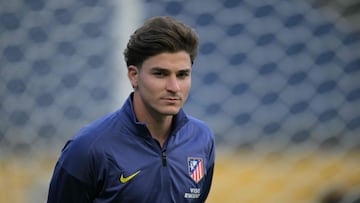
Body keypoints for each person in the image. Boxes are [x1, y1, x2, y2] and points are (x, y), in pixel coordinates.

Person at [47, 16, 216, 203]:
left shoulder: (201, 139)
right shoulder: (88, 148)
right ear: (134, 76)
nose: (174, 86)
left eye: (182, 75)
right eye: (160, 74)